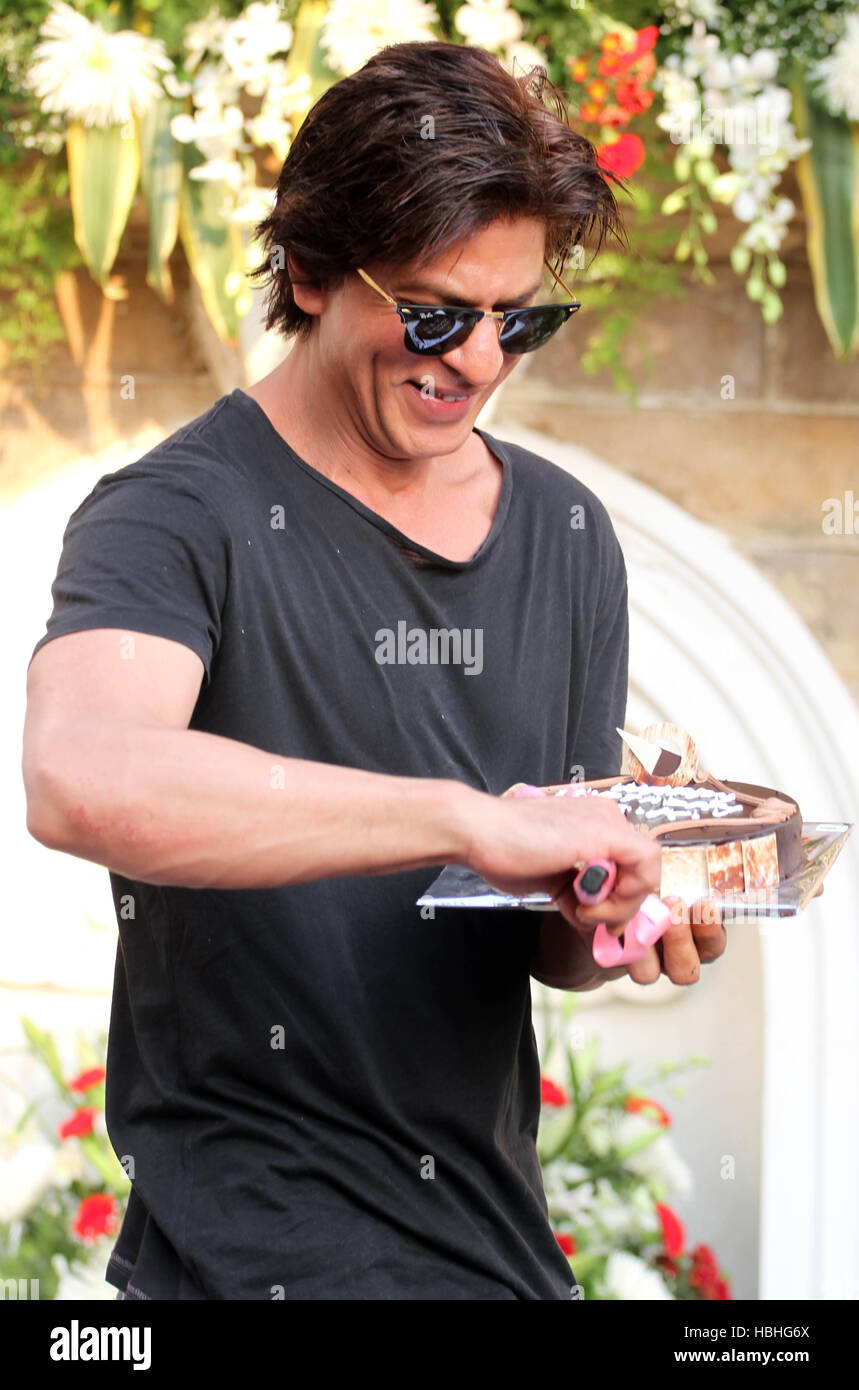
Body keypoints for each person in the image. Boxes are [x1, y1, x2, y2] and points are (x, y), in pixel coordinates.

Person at [22, 40, 724, 1301]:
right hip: (241, 1264)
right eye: (434, 312)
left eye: (519, 322)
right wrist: (453, 815)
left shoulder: (566, 536)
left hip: (496, 1261)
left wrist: (608, 910)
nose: (477, 363)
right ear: (306, 269)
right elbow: (82, 776)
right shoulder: (175, 514)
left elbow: (541, 944)